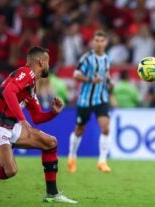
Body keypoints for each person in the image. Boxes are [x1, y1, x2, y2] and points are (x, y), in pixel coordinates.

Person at [0, 46, 77, 204]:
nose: (49, 67)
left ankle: (52, 194)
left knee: (50, 143)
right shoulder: (26, 72)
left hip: (10, 125)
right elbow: (8, 92)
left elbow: (37, 117)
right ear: (41, 61)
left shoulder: (32, 85)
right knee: (10, 170)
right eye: (48, 62)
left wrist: (53, 112)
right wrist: (23, 121)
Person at [68, 31, 112, 173]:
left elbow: (106, 74)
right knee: (79, 130)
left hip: (101, 99)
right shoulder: (87, 58)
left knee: (105, 128)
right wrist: (90, 80)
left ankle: (102, 161)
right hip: (85, 100)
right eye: (97, 40)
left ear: (106, 42)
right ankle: (72, 156)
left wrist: (110, 82)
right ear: (93, 42)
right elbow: (76, 74)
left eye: (102, 40)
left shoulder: (107, 59)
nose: (99, 43)